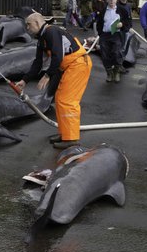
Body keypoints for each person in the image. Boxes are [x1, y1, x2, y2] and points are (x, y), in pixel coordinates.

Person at [15, 12, 93, 149]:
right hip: (70, 66)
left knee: (67, 100)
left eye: (29, 24)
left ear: (38, 23)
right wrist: (24, 80)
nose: (27, 28)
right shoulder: (41, 39)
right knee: (60, 98)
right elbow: (38, 63)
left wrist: (47, 75)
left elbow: (58, 56)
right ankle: (65, 134)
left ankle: (71, 139)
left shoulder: (51, 32)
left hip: (78, 64)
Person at [95, 0, 127, 83]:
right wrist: (100, 33)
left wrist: (122, 24)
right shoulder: (103, 11)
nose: (112, 1)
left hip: (116, 35)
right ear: (107, 0)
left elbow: (128, 22)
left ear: (116, 0)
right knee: (105, 55)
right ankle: (109, 73)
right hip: (105, 35)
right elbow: (99, 23)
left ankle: (116, 72)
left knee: (116, 53)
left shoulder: (122, 10)